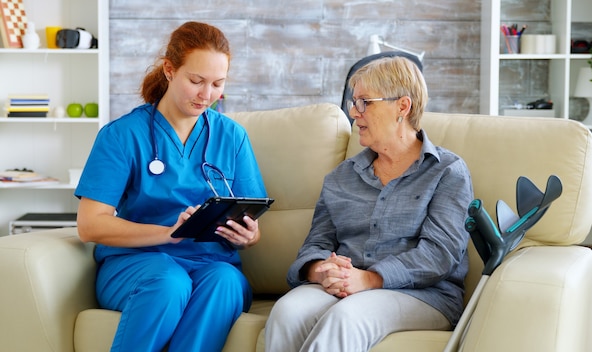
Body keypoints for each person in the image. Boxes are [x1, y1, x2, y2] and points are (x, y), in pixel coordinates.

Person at [75, 21, 267, 352]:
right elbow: (90, 225)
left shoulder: (232, 137)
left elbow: (253, 220)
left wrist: (249, 237)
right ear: (169, 70)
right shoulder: (122, 136)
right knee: (169, 282)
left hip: (212, 264)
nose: (207, 95)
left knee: (225, 282)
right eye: (196, 81)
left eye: (218, 84)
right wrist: (168, 234)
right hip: (137, 263)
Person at [264, 56, 474, 351]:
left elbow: (439, 255)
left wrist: (370, 279)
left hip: (424, 295)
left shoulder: (447, 172)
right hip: (348, 285)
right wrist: (321, 270)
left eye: (364, 102)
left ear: (402, 106)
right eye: (353, 102)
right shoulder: (341, 178)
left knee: (347, 317)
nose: (353, 111)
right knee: (288, 312)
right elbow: (316, 244)